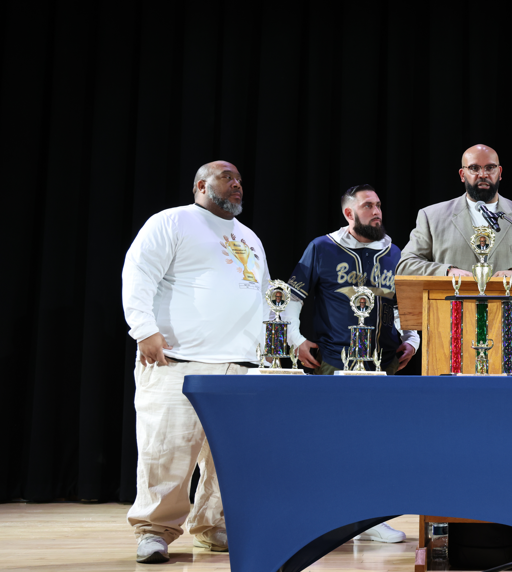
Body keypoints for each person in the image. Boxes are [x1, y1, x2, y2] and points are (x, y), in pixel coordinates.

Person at [122, 161, 272, 564]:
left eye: (241, 179)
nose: (238, 184)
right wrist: (143, 329)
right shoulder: (172, 222)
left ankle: (212, 527)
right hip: (179, 358)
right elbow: (138, 274)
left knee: (228, 456)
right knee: (166, 449)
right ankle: (155, 531)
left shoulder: (250, 237)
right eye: (229, 178)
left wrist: (285, 341)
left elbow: (264, 296)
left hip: (240, 362)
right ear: (202, 185)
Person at [284, 184, 418, 544]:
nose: (377, 211)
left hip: (385, 365)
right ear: (349, 214)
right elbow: (288, 298)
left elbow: (406, 307)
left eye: (378, 205)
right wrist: (295, 341)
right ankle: (329, 518)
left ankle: (369, 519)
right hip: (334, 363)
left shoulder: (396, 252)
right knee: (334, 443)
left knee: (379, 445)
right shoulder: (322, 247)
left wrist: (413, 339)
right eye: (368, 206)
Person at [397, 145, 512, 278]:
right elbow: (406, 265)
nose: (483, 175)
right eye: (474, 168)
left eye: (490, 168)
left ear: (499, 172)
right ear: (462, 175)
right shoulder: (432, 217)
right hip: (452, 312)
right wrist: (446, 271)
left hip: (511, 312)